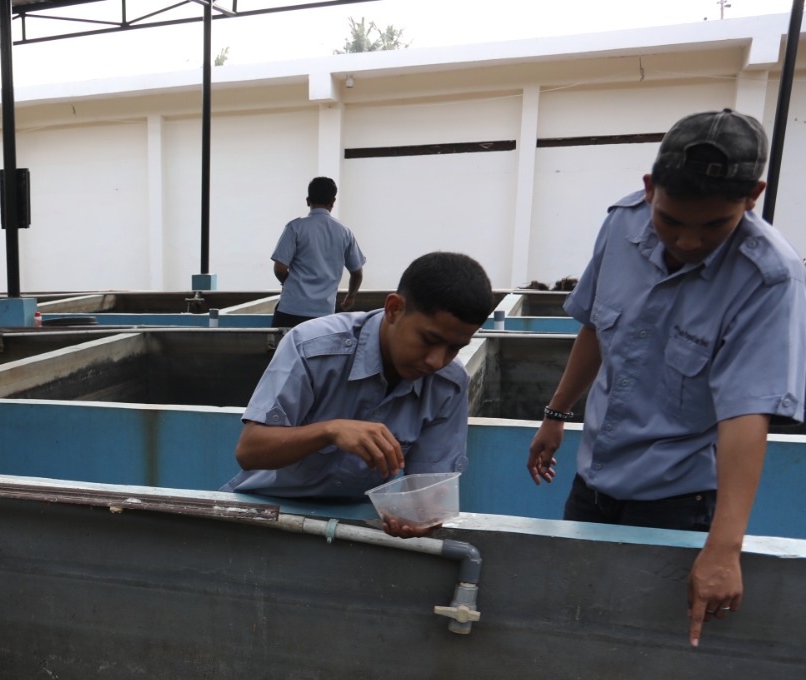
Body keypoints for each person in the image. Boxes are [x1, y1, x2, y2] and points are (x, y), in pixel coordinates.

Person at [526, 109, 806, 647]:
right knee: (574, 621)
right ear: (650, 188)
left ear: (753, 196)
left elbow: (747, 415)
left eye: (714, 226)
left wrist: (723, 549)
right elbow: (597, 327)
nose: (690, 242)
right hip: (593, 486)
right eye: (672, 221)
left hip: (678, 504)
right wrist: (556, 414)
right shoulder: (621, 223)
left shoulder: (769, 279)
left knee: (650, 645)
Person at [224, 251, 495, 538]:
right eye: (429, 340)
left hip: (359, 526)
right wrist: (329, 430)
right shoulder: (311, 347)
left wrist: (421, 515)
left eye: (454, 348)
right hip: (266, 513)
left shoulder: (448, 384)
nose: (436, 361)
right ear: (394, 309)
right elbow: (249, 451)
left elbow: (428, 492)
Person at [271, 177, 366, 328]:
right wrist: (350, 297)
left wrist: (288, 283)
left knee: (283, 349)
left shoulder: (295, 228)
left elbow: (280, 268)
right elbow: (357, 273)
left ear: (308, 201)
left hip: (291, 309)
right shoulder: (345, 233)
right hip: (323, 314)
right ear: (333, 202)